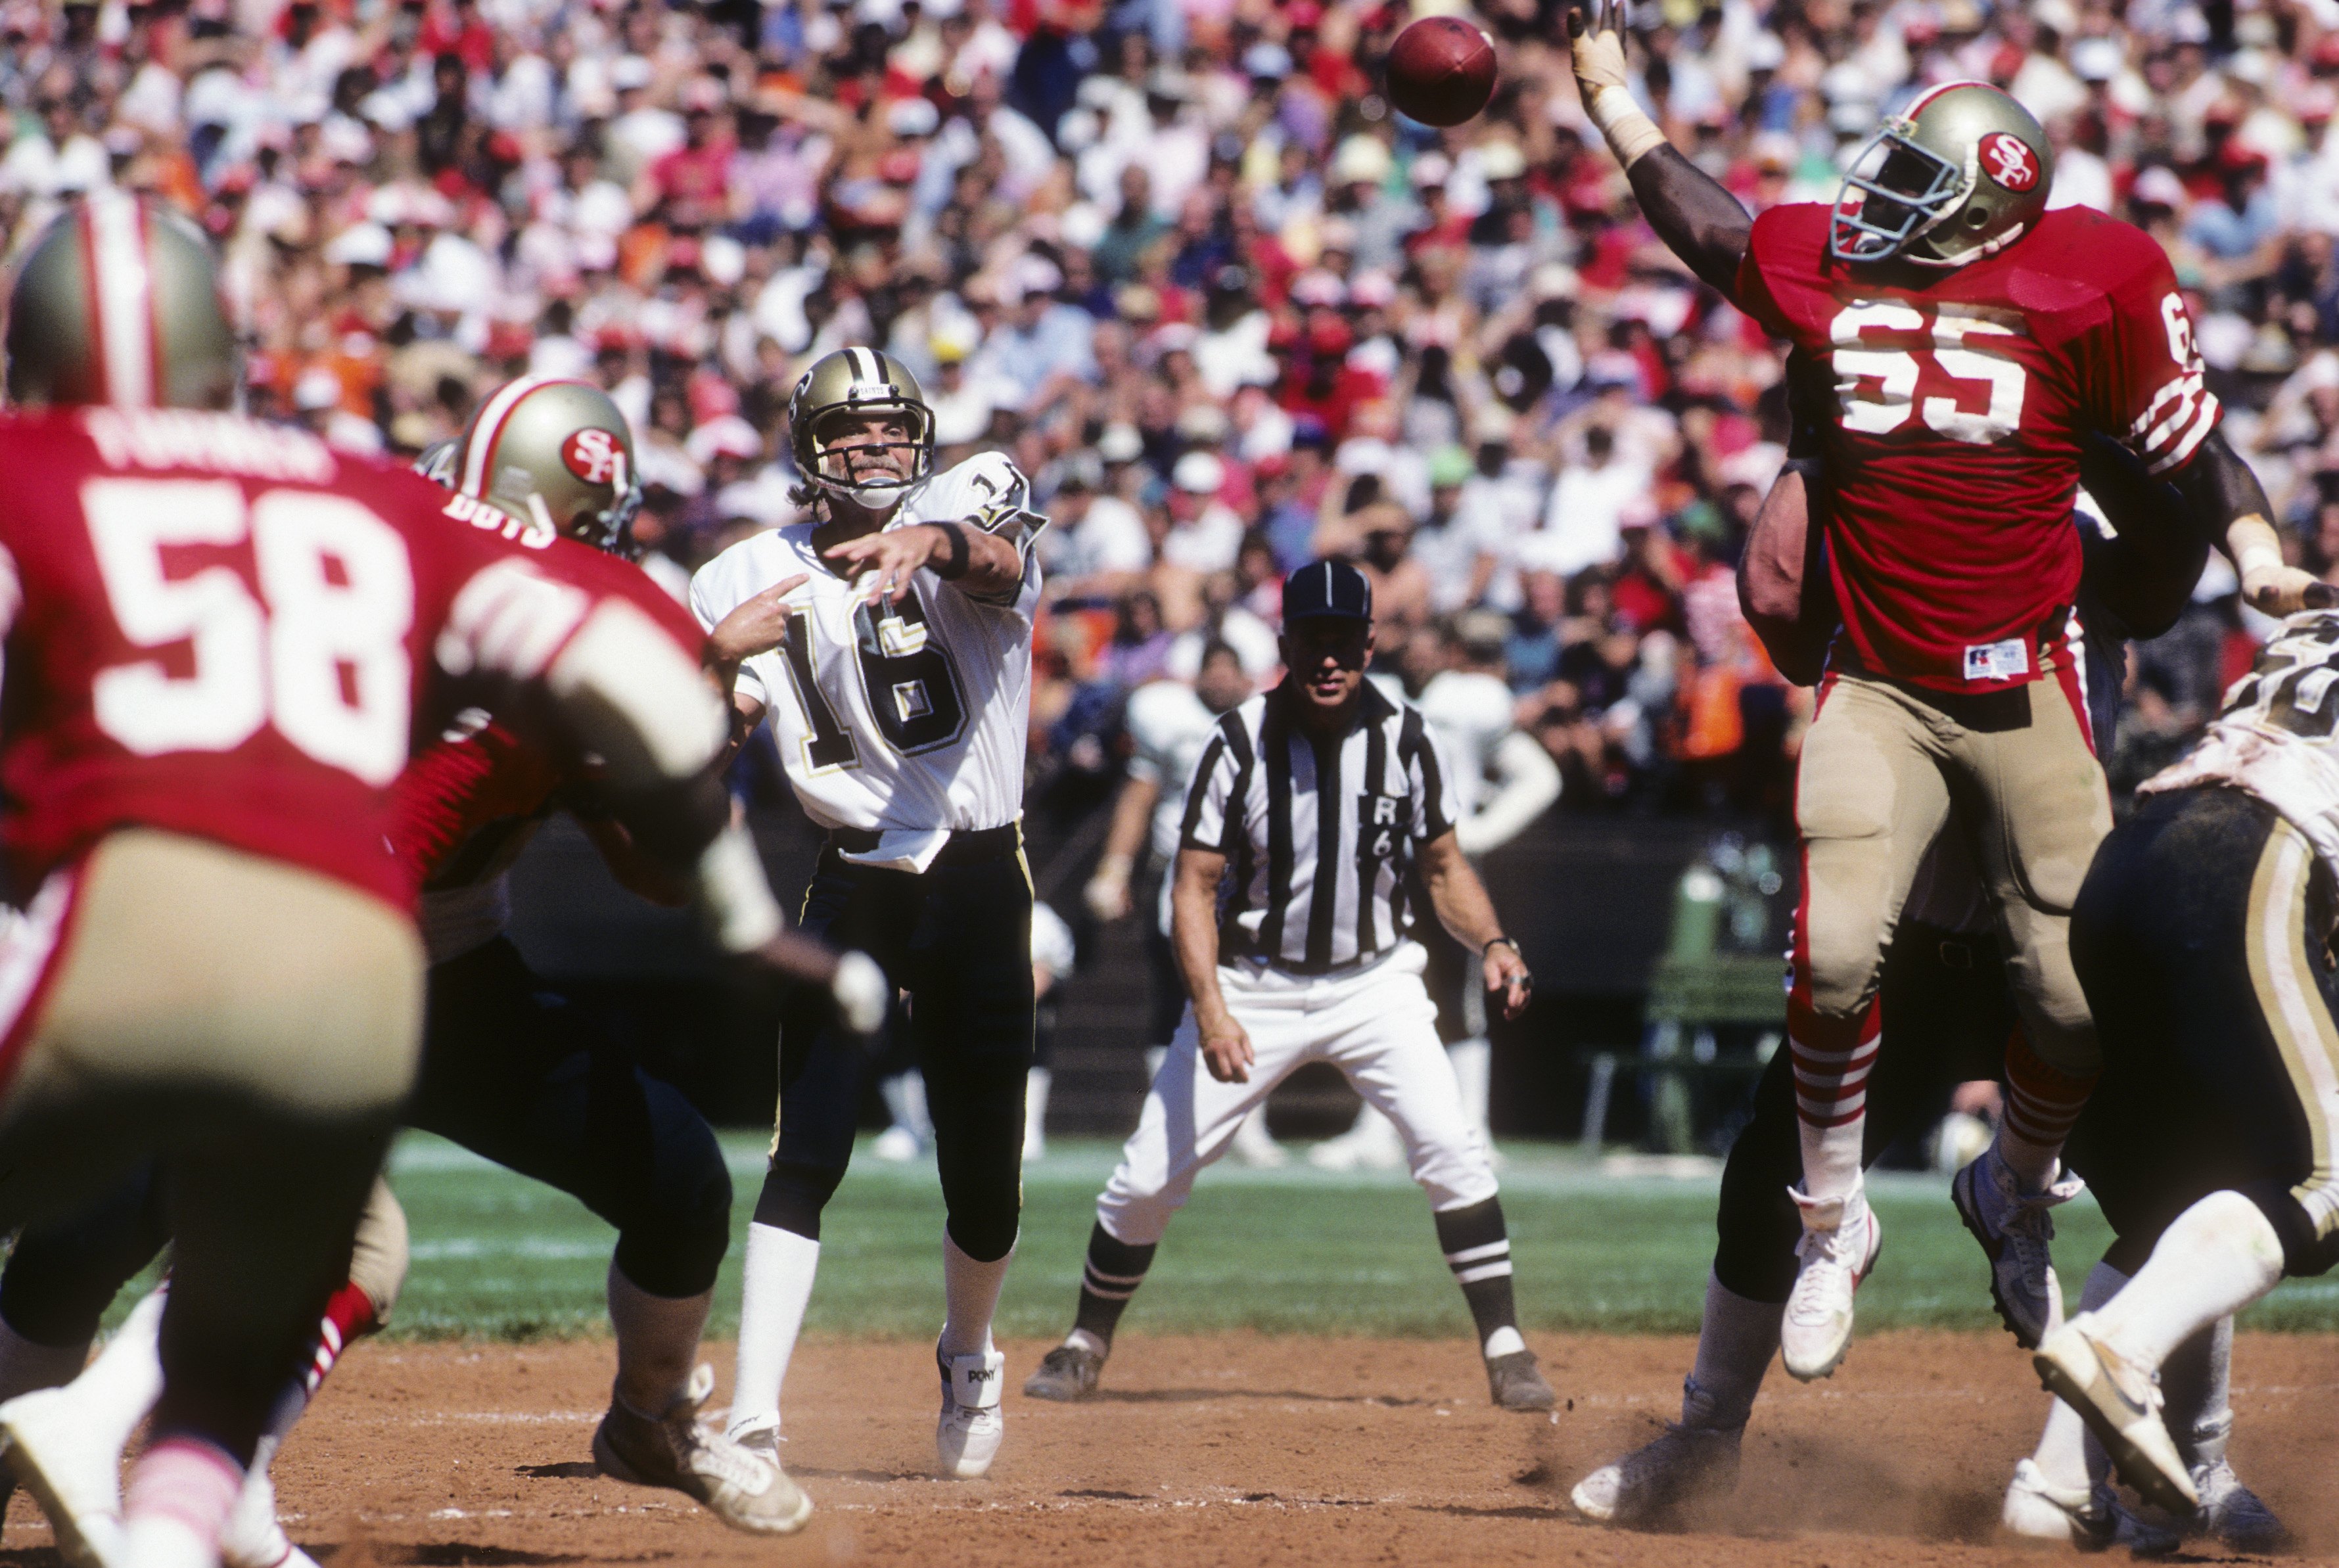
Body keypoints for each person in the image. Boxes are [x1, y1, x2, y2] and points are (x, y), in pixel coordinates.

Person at [0, 192, 837, 1568]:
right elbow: (645, 804)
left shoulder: (388, 510)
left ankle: (630, 1421)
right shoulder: (500, 568)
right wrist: (702, 720)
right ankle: (149, 1462)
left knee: (667, 1174)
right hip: (330, 933)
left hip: (383, 947)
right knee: (254, 1223)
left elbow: (626, 847)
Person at [1570, 3, 2308, 1380]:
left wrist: (2256, 545)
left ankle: (2017, 1192)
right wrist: (1615, 99)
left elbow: (2191, 451)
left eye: (1922, 175)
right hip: (1886, 685)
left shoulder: (2088, 295)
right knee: (1834, 957)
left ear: (1993, 205)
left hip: (2023, 684)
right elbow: (1721, 233)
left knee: (2086, 1013)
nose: (1879, 196)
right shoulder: (1837, 278)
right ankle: (1828, 1229)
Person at [1570, 439, 2288, 1550]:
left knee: (2183, 1188)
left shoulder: (2089, 555)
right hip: (1907, 942)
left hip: (2045, 944)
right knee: (1768, 1173)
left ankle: (2190, 1463)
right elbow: (1771, 592)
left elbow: (2170, 520)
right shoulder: (1886, 547)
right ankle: (1703, 1442)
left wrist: (2144, 412)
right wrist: (1820, 427)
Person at [1021, 560, 1553, 1412]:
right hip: (1254, 982)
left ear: (1369, 643)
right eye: (1313, 640)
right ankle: (1085, 1340)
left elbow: (1444, 864)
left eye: (1344, 641)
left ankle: (1506, 1346)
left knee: (1453, 1151)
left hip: (1374, 981)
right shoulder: (1236, 740)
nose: (1329, 657)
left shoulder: (1408, 737)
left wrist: (1490, 938)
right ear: (1286, 644)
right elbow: (1191, 883)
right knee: (1144, 1178)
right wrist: (1210, 1006)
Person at [691, 348, 1047, 1481]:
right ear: (807, 451)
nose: (874, 450)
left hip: (980, 872)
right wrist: (707, 665)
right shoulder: (741, 572)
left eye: (888, 428)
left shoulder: (964, 499)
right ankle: (751, 1415)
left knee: (984, 1174)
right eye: (847, 433)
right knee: (808, 1147)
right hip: (852, 874)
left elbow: (995, 565)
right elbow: (703, 760)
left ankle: (968, 1349)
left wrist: (928, 544)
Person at [2031, 603, 2339, 1517]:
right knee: (2326, 1178)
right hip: (2246, 860)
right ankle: (2121, 1347)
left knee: (2193, 1189)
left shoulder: (2320, 617)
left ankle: (2052, 1485)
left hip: (2133, 854)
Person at [1312, 612, 1560, 1170]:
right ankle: (1376, 1129)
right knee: (1378, 994)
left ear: (1449, 651)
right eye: (1412, 647)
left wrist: (1478, 833)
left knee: (1461, 1000)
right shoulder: (1375, 698)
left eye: (1431, 647)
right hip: (1380, 870)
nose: (1420, 657)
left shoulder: (1472, 703)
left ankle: (1472, 1128)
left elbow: (1540, 776)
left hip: (1447, 871)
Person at [1082, 642, 1284, 1168]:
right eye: (1209, 670)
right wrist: (1115, 867)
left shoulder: (1264, 725)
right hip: (1181, 875)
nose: (1218, 680)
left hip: (1248, 878)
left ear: (1245, 677)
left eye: (1228, 669)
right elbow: (1139, 796)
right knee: (1173, 1000)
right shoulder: (1167, 720)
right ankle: (1170, 1118)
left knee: (1251, 999)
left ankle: (1246, 1126)